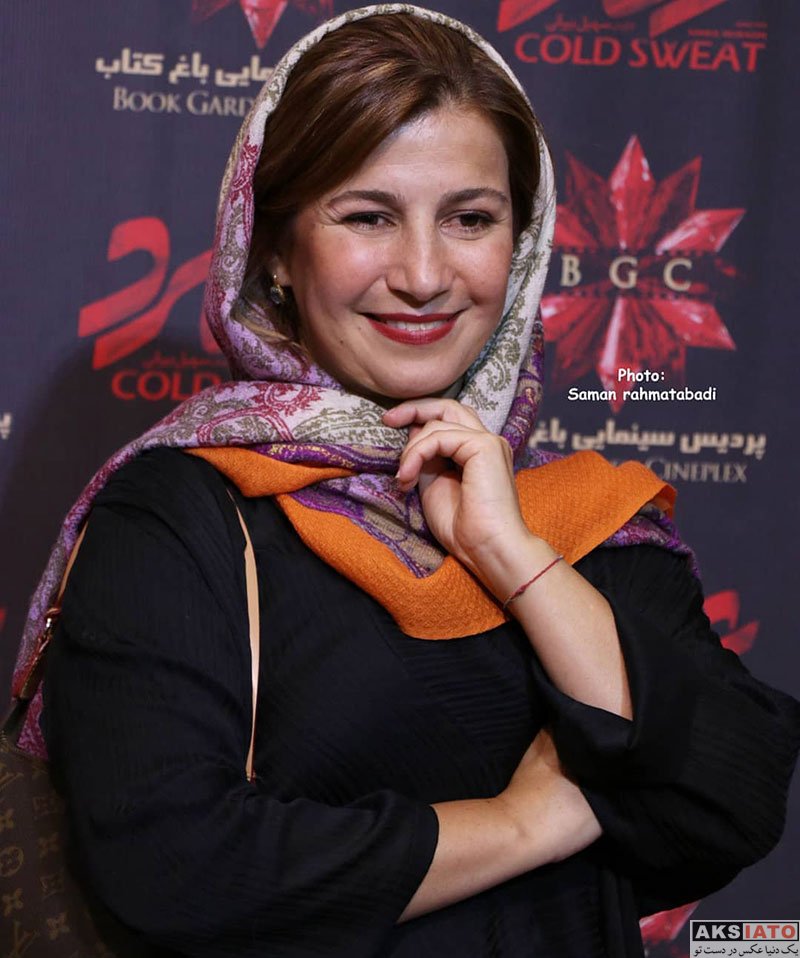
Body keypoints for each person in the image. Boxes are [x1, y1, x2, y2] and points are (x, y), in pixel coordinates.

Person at [14, 5, 799, 957]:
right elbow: (175, 869)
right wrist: (523, 825)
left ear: (521, 245)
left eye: (470, 219)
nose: (424, 275)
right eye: (368, 217)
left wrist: (513, 557)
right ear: (274, 250)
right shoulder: (184, 511)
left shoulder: (584, 515)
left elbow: (731, 804)